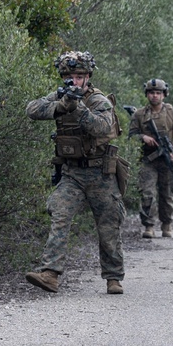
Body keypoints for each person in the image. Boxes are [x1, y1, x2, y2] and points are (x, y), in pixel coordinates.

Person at [24, 51, 126, 295]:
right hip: (72, 174)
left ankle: (113, 277)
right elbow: (32, 109)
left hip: (101, 174)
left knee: (108, 226)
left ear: (88, 77)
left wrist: (78, 108)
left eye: (79, 76)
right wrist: (61, 106)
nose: (75, 81)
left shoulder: (98, 100)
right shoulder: (61, 96)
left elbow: (103, 128)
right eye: (70, 76)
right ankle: (50, 274)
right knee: (59, 213)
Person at [128, 78, 173, 238]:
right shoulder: (139, 114)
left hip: (167, 160)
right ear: (147, 94)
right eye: (151, 93)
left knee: (167, 194)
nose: (155, 96)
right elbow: (130, 137)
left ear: (164, 95)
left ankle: (167, 224)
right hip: (148, 160)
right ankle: (148, 226)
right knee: (147, 193)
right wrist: (143, 137)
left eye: (158, 93)